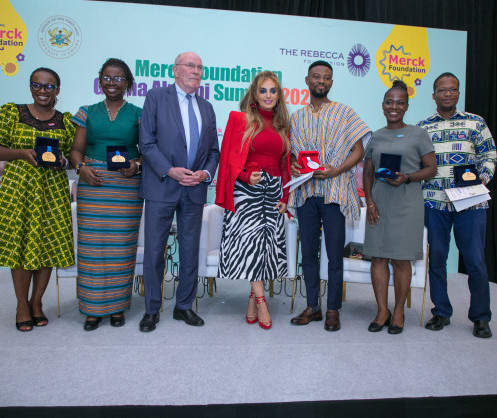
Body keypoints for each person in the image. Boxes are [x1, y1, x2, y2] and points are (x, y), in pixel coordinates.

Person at [138, 52, 219, 332]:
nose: (196, 71)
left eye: (200, 67)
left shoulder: (207, 107)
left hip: (194, 189)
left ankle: (183, 306)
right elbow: (146, 142)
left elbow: (213, 151)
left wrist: (205, 173)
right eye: (190, 66)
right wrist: (170, 170)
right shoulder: (156, 97)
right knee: (154, 251)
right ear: (175, 70)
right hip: (162, 185)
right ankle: (152, 310)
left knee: (189, 250)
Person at [289, 60, 371, 331]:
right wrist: (294, 166)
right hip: (306, 193)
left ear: (332, 82)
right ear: (307, 80)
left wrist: (337, 170)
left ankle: (333, 309)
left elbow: (358, 150)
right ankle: (313, 306)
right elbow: (293, 156)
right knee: (308, 254)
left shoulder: (345, 113)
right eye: (316, 76)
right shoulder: (296, 117)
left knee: (335, 254)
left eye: (326, 77)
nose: (321, 81)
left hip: (335, 193)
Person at [418, 72, 496, 338]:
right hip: (434, 203)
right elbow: (416, 163)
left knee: (474, 260)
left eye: (452, 89)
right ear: (434, 95)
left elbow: (489, 154)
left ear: (458, 93)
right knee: (437, 259)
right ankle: (441, 311)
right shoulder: (423, 128)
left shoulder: (476, 122)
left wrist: (480, 179)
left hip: (470, 203)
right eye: (442, 90)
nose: (448, 94)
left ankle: (481, 317)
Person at [69, 58, 143, 331]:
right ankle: (92, 309)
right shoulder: (87, 111)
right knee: (92, 247)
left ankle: (117, 307)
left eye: (119, 78)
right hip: (93, 184)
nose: (112, 83)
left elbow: (147, 150)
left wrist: (136, 166)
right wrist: (81, 169)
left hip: (126, 187)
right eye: (107, 78)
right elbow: (76, 150)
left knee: (121, 247)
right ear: (100, 81)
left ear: (128, 83)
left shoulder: (139, 113)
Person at [0, 67, 75, 331]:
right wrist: (21, 153)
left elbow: (71, 156)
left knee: (47, 246)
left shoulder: (66, 121)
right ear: (30, 86)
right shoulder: (11, 113)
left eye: (49, 86)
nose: (43, 90)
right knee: (21, 247)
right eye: (37, 85)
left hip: (52, 191)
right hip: (19, 190)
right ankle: (22, 305)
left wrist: (64, 162)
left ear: (57, 90)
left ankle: (37, 302)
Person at [215, 71, 291, 330]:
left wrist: (285, 196)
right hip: (247, 192)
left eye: (273, 90)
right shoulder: (241, 119)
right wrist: (247, 176)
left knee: (265, 248)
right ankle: (261, 302)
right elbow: (230, 159)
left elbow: (284, 165)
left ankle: (251, 299)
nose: (268, 95)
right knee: (251, 244)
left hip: (273, 192)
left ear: (278, 96)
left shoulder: (282, 126)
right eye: (263, 90)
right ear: (255, 95)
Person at [362, 81, 436, 334]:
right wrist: (369, 202)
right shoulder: (376, 136)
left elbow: (431, 169)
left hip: (407, 203)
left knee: (401, 259)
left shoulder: (419, 134)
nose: (394, 106)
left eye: (400, 102)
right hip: (379, 203)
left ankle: (399, 311)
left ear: (406, 106)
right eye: (389, 102)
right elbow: (368, 173)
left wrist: (408, 177)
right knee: (378, 257)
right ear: (383, 105)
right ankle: (382, 310)